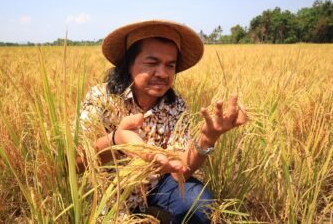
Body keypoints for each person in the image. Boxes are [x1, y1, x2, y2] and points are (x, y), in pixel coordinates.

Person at [77, 20, 248, 223]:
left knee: (199, 205)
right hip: (108, 191)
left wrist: (207, 138)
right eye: (152, 63)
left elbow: (179, 173)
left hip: (157, 186)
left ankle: (154, 210)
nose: (163, 73)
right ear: (129, 64)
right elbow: (78, 164)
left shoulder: (175, 106)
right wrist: (116, 141)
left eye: (170, 65)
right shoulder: (100, 98)